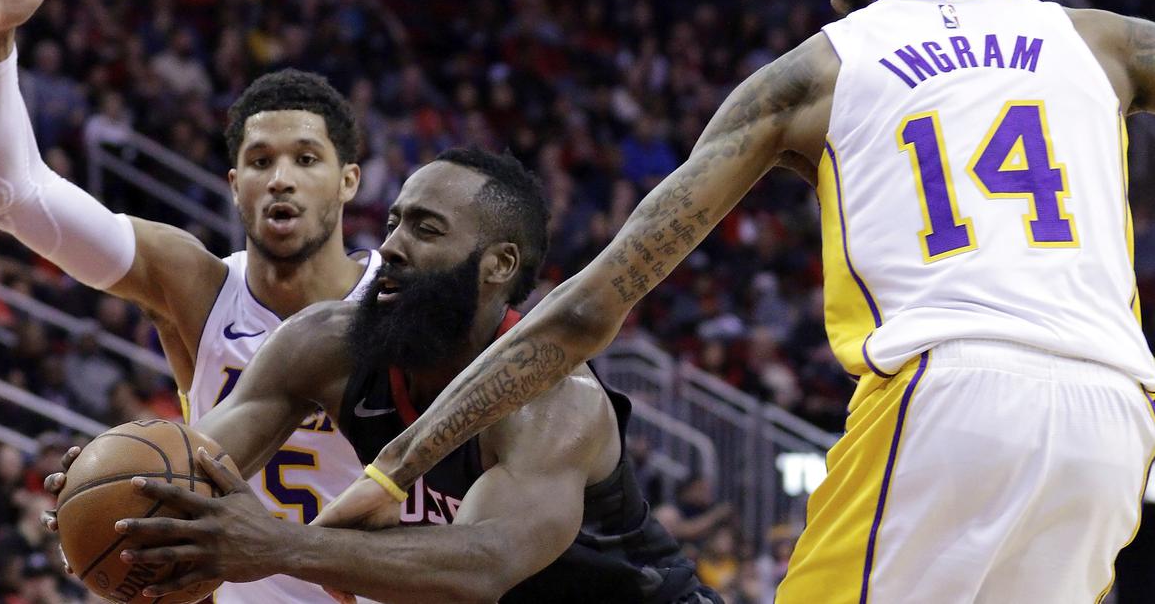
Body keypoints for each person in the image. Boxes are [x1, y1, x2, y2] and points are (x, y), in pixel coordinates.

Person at [319, 0, 1155, 602]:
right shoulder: (1100, 41)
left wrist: (397, 466)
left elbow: (587, 309)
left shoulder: (813, 73)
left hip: (948, 397)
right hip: (1115, 414)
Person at [48, 149, 721, 603]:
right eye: (394, 222)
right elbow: (201, 465)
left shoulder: (554, 402)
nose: (391, 245)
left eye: (426, 229)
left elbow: (483, 566)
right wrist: (120, 497)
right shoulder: (324, 344)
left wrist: (283, 545)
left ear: (498, 265)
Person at [0, 0, 379, 602]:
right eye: (261, 160)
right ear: (234, 185)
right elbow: (11, 193)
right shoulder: (195, 286)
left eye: (307, 159)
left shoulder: (407, 304)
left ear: (348, 181)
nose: (281, 178)